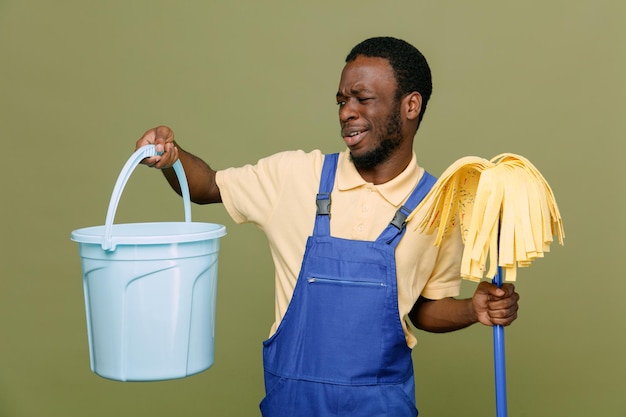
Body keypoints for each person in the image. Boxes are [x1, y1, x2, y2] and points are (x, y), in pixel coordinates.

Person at [136, 36, 519, 417]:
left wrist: (474, 309)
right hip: (293, 403)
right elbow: (207, 186)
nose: (346, 112)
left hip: (382, 406)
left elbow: (422, 308)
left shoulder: (440, 205)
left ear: (410, 105)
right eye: (341, 101)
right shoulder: (295, 175)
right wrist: (171, 157)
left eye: (362, 98)